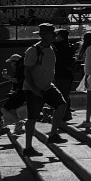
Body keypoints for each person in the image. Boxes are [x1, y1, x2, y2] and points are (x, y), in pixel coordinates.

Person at [20, 21, 68, 158]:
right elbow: (27, 71)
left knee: (62, 105)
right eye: (52, 34)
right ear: (45, 35)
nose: (55, 36)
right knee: (32, 118)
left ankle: (53, 134)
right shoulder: (33, 50)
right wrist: (34, 89)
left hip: (47, 86)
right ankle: (28, 147)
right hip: (34, 89)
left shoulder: (50, 48)